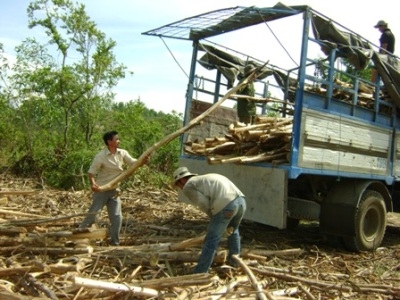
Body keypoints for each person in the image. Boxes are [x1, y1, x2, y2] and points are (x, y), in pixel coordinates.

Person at [79, 130, 148, 246]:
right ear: (109, 142)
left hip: (114, 191)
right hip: (102, 190)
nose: (119, 141)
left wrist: (142, 161)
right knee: (93, 215)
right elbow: (91, 172)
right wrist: (93, 184)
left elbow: (133, 163)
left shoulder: (122, 153)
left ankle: (114, 242)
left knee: (117, 218)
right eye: (116, 139)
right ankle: (79, 234)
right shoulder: (101, 156)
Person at [173, 166, 247, 273]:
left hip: (226, 205)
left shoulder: (188, 186)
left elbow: (203, 203)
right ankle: (234, 263)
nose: (180, 188)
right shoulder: (204, 179)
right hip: (241, 202)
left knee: (212, 239)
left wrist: (213, 216)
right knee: (233, 231)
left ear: (181, 180)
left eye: (178, 185)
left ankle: (201, 271)